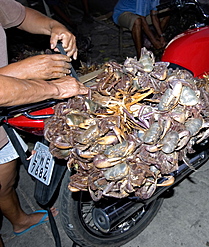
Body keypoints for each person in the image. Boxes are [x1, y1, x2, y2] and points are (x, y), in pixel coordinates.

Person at [0, 0, 88, 245]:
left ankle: (19, 220)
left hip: (2, 121)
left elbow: (19, 14)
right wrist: (50, 85)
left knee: (5, 184)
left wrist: (53, 25)